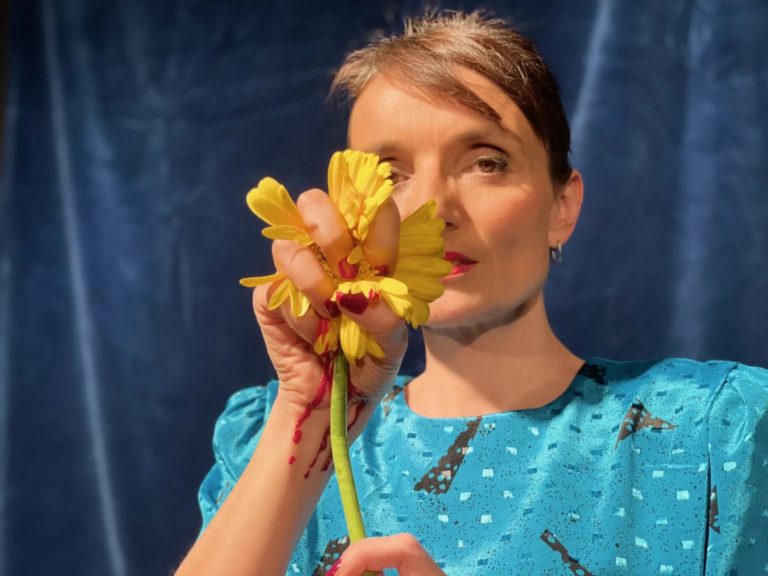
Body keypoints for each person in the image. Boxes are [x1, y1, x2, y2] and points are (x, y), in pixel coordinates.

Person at [176, 11, 768, 576]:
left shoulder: (720, 430)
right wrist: (311, 419)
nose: (434, 210)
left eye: (486, 162)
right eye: (389, 175)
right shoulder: (271, 434)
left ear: (562, 207)